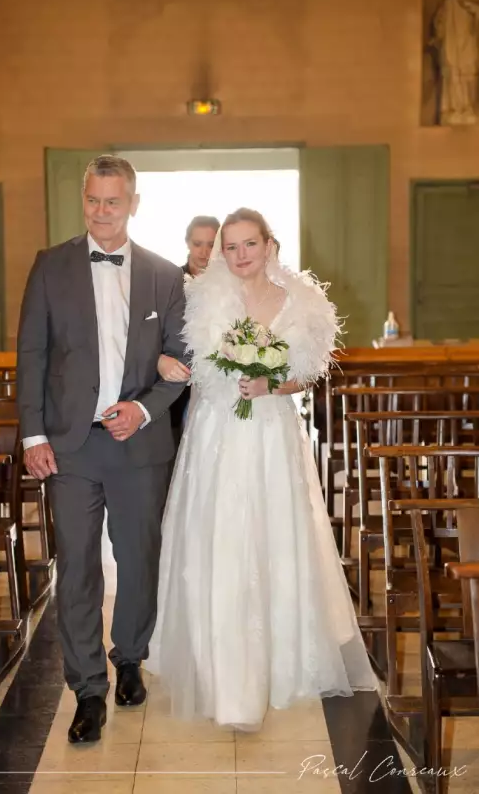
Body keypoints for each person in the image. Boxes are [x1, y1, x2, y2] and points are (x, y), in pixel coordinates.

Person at [146, 208, 376, 730]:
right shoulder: (201, 296)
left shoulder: (302, 300)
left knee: (272, 534)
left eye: (250, 244)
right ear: (220, 251)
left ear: (269, 244)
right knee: (220, 535)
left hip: (271, 431)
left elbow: (309, 371)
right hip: (216, 432)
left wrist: (271, 385)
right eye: (231, 246)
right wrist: (168, 364)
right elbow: (183, 356)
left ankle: (279, 655)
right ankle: (219, 666)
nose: (240, 254)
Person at [16, 155, 187, 744]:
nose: (102, 212)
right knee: (78, 570)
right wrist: (33, 434)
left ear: (133, 203)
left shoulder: (166, 276)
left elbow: (180, 366)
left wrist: (143, 408)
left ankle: (130, 657)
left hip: (138, 445)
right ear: (83, 199)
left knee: (139, 560)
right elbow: (33, 355)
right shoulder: (50, 267)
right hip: (70, 447)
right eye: (93, 200)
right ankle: (87, 688)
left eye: (113, 201)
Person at [166, 215, 220, 442]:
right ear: (187, 242)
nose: (204, 252)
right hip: (177, 380)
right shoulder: (169, 280)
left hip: (218, 380)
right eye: (198, 244)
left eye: (211, 244)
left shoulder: (231, 283)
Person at [433, 0, 479, 125]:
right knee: (453, 76)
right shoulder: (449, 2)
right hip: (453, 46)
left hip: (469, 44)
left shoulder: (472, 3)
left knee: (469, 75)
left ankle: (468, 108)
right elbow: (439, 25)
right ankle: (454, 109)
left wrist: (472, 8)